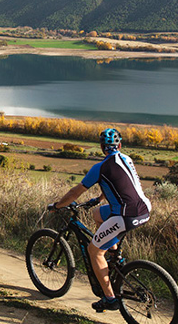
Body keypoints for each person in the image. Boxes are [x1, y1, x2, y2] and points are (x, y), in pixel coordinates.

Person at [48, 128, 151, 312]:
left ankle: (110, 298)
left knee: (94, 250)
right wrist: (99, 200)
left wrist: (58, 206)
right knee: (97, 214)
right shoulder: (127, 159)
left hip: (124, 216)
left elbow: (75, 193)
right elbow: (118, 183)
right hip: (144, 210)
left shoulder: (99, 168)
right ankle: (114, 256)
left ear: (102, 147)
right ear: (119, 146)